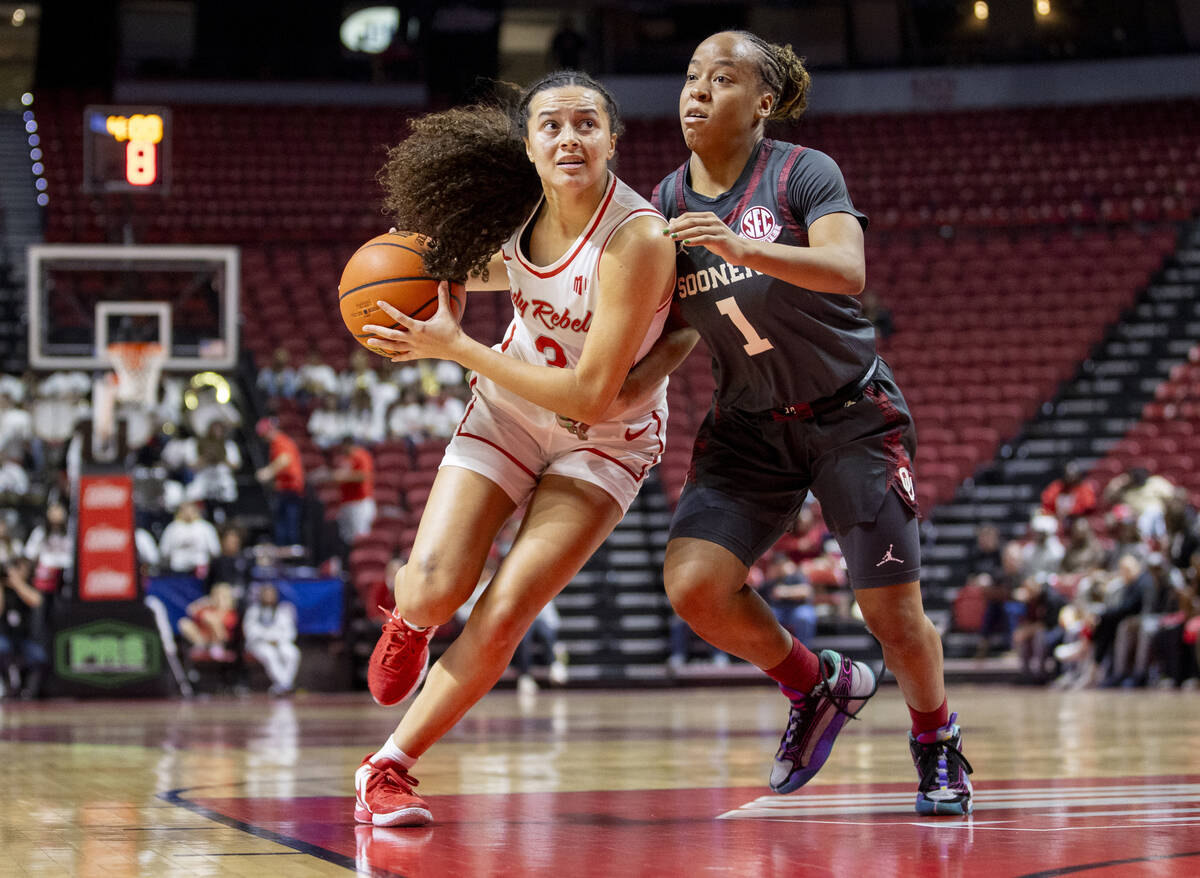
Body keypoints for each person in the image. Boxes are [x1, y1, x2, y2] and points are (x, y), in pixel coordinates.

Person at [619, 30, 972, 814]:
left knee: (890, 611)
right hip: (749, 425)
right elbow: (683, 323)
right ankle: (817, 687)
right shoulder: (666, 202)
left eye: (721, 79)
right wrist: (628, 384)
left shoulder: (802, 171)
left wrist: (743, 244)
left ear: (763, 103)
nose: (697, 91)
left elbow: (847, 270)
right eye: (690, 77)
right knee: (695, 587)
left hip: (851, 416)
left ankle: (937, 742)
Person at [351, 70, 675, 827]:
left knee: (504, 613)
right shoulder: (515, 214)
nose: (570, 137)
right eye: (552, 125)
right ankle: (414, 619)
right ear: (528, 146)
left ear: (613, 141)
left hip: (606, 441)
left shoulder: (637, 239)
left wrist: (456, 345)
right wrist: (413, 298)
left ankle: (386, 769)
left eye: (587, 124)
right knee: (433, 587)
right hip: (509, 415)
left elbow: (594, 396)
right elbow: (490, 269)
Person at [255, 417, 306, 547]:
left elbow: (285, 460)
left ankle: (291, 557)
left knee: (288, 525)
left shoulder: (280, 441)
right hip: (284, 488)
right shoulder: (277, 443)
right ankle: (285, 553)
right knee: (282, 524)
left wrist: (268, 472)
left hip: (291, 489)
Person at [242, 583, 300, 695]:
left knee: (292, 653)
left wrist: (277, 639)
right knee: (270, 654)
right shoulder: (253, 611)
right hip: (259, 643)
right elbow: (250, 631)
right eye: (266, 595)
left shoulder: (283, 611)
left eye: (271, 595)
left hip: (280, 642)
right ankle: (286, 685)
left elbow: (290, 632)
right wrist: (268, 638)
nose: (268, 597)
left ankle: (281, 686)